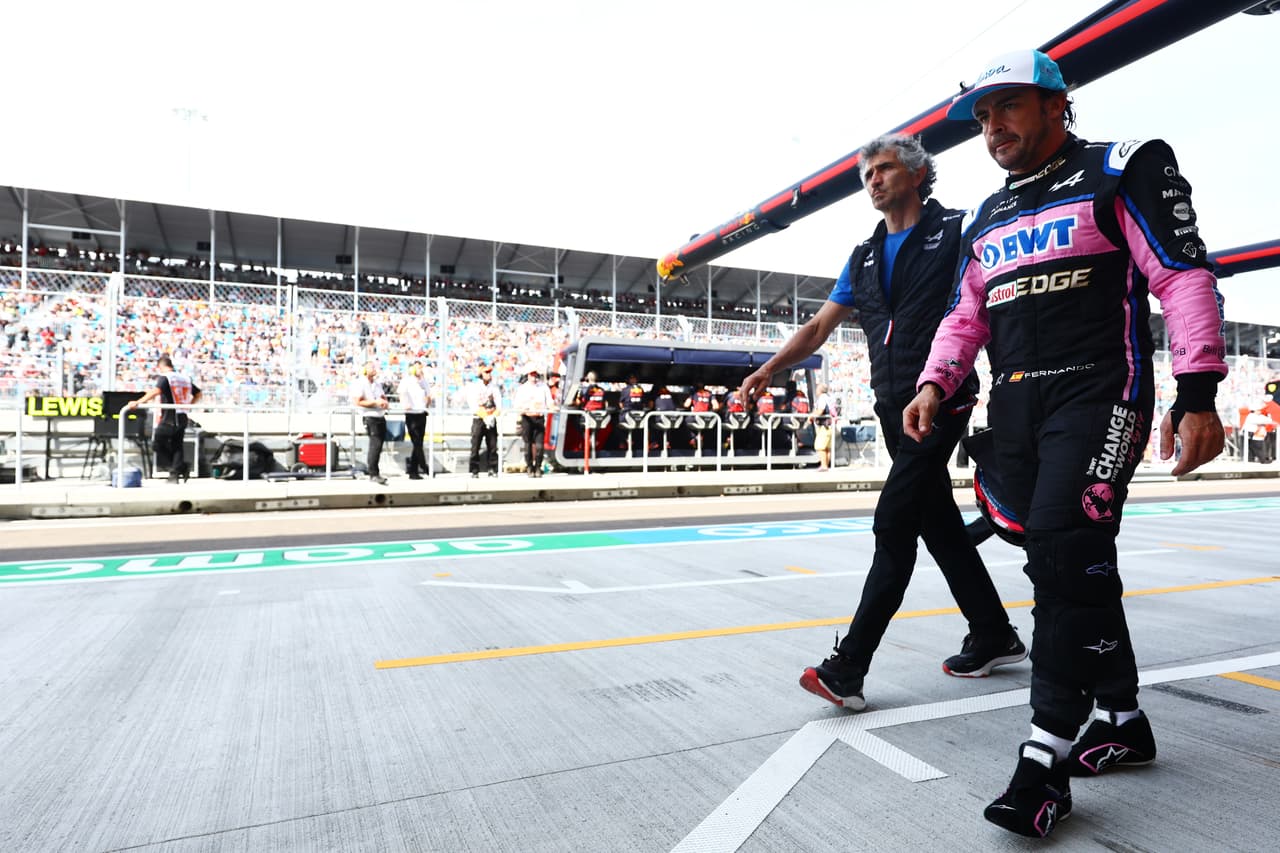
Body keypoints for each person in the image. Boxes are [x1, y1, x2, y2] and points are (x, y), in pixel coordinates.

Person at [904, 50, 1227, 839]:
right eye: (981, 117)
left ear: (1057, 104)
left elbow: (1183, 277)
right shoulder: (985, 215)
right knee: (1066, 557)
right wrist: (934, 381)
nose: (993, 128)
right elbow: (965, 315)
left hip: (1097, 387)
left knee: (1061, 548)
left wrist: (1199, 392)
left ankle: (1044, 758)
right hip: (1016, 403)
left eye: (1007, 106)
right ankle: (1121, 716)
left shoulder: (1123, 167)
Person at [740, 133, 1023, 715]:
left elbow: (996, 297)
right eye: (868, 174)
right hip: (891, 403)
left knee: (893, 524)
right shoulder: (864, 256)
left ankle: (849, 667)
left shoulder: (958, 232)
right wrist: (770, 367)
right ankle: (994, 633)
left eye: (885, 169)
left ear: (918, 175)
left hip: (943, 395)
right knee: (939, 528)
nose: (873, 180)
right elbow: (820, 329)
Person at [127, 354, 201, 482]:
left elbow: (156, 391)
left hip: (170, 416)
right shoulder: (184, 378)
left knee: (158, 444)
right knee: (177, 445)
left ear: (161, 366)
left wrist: (138, 402)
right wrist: (189, 406)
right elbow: (198, 393)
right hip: (182, 415)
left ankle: (179, 467)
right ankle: (177, 472)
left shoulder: (166, 377)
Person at [351, 361, 389, 484]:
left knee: (378, 446)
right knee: (375, 445)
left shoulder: (377, 384)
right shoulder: (360, 383)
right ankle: (373, 473)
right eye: (372, 367)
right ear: (365, 370)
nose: (374, 369)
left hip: (380, 416)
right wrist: (375, 403)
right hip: (370, 417)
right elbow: (358, 401)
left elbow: (382, 397)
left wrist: (384, 402)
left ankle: (375, 472)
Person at [514, 366, 554, 476]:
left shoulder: (543, 387)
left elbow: (549, 401)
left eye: (535, 374)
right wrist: (523, 410)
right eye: (532, 374)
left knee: (539, 445)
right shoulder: (522, 388)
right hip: (527, 418)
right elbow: (517, 405)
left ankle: (538, 467)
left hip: (539, 418)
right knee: (528, 444)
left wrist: (552, 407)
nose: (534, 377)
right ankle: (530, 467)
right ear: (528, 375)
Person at [466, 364, 501, 477]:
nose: (488, 374)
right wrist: (484, 415)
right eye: (486, 372)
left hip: (491, 419)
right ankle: (474, 470)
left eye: (489, 372)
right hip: (479, 419)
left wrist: (493, 415)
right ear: (481, 374)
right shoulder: (475, 387)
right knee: (475, 445)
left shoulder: (494, 388)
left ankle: (493, 468)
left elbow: (499, 404)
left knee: (492, 445)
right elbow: (473, 405)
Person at [398, 361, 431, 480]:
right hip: (411, 414)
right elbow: (402, 393)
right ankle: (424, 466)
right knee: (416, 442)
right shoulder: (406, 381)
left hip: (421, 413)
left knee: (419, 443)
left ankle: (414, 471)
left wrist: (427, 403)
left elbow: (428, 395)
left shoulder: (424, 381)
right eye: (417, 368)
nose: (420, 370)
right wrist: (405, 404)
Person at [810, 382, 836, 470]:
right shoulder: (829, 397)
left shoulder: (822, 398)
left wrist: (811, 416)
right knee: (827, 447)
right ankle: (826, 465)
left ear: (820, 390)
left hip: (824, 426)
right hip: (830, 425)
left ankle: (824, 466)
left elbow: (820, 410)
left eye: (817, 388)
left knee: (820, 445)